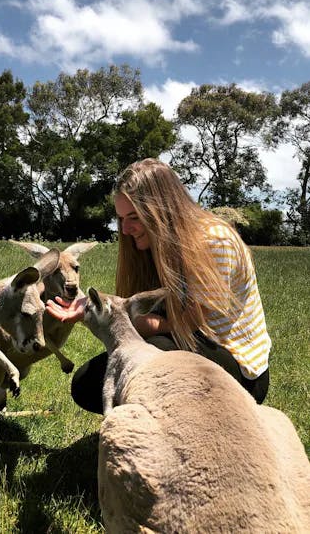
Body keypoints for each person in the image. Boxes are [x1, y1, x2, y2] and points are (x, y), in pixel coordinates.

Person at [46, 158, 271, 412]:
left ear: (163, 211)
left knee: (149, 361)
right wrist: (93, 310)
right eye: (120, 219)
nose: (126, 229)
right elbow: (138, 311)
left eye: (134, 217)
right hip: (182, 344)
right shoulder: (152, 247)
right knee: (88, 383)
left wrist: (129, 323)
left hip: (237, 369)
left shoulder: (214, 241)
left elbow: (188, 324)